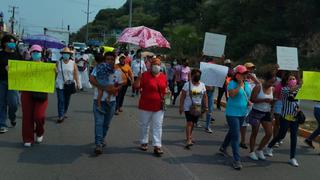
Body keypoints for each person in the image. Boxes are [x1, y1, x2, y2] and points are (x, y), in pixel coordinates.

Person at [89, 51, 122, 155]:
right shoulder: (98, 68)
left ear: (114, 60)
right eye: (108, 59)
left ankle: (102, 138)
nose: (110, 61)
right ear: (104, 60)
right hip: (98, 101)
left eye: (112, 59)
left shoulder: (117, 72)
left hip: (111, 102)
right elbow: (91, 79)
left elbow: (119, 85)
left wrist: (115, 89)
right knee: (99, 123)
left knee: (106, 124)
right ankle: (98, 144)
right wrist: (105, 88)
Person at [265, 73, 301, 167]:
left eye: (294, 79)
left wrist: (298, 109)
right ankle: (269, 146)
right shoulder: (284, 89)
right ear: (287, 81)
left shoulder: (299, 90)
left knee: (294, 138)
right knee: (281, 134)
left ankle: (292, 158)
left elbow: (298, 101)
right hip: (285, 116)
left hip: (295, 118)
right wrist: (300, 85)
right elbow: (291, 91)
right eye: (290, 79)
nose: (293, 80)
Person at [219, 65, 251, 170]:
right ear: (237, 75)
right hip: (232, 113)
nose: (245, 75)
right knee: (236, 136)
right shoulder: (231, 83)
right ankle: (236, 160)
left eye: (246, 74)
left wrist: (248, 102)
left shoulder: (247, 84)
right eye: (243, 74)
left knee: (233, 132)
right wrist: (239, 85)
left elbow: (247, 96)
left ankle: (223, 147)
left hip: (242, 113)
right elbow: (232, 95)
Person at [136, 57, 167, 156]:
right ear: (150, 65)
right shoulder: (144, 75)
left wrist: (168, 92)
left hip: (159, 105)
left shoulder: (163, 76)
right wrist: (139, 78)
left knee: (158, 126)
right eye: (154, 63)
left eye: (158, 64)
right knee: (144, 124)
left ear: (160, 65)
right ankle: (144, 142)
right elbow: (136, 86)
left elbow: (165, 88)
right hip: (145, 105)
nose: (156, 66)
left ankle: (157, 146)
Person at [21, 45, 49, 147]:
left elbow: (50, 81)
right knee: (27, 116)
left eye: (38, 52)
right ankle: (28, 138)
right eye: (34, 52)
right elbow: (17, 75)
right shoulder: (24, 66)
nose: (36, 54)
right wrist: (9, 69)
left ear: (41, 53)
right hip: (27, 92)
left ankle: (40, 131)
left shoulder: (47, 67)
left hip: (41, 93)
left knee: (39, 116)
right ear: (30, 53)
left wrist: (54, 73)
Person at [247, 69, 276, 160]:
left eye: (273, 82)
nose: (271, 84)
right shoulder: (258, 87)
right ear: (266, 80)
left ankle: (259, 150)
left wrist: (272, 113)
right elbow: (252, 99)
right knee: (254, 132)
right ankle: (251, 152)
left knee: (269, 133)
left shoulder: (272, 89)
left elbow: (272, 103)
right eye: (270, 82)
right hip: (256, 112)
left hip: (266, 113)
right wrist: (263, 100)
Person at [179, 69, 208, 148]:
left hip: (198, 107)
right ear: (192, 76)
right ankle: (188, 140)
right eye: (196, 75)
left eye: (198, 75)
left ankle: (190, 136)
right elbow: (182, 97)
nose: (197, 77)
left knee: (193, 123)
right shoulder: (187, 85)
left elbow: (205, 96)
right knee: (190, 122)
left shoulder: (202, 85)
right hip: (188, 107)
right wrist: (181, 107)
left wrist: (206, 106)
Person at [0, 34, 20, 133]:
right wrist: (4, 70)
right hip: (2, 81)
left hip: (14, 82)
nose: (13, 44)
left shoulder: (17, 55)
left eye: (14, 42)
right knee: (2, 103)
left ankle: (12, 117)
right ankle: (2, 124)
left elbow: (24, 68)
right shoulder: (1, 54)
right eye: (10, 42)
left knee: (14, 103)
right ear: (4, 43)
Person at [55, 47, 80, 123]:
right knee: (61, 100)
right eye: (64, 53)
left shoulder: (73, 63)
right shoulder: (58, 62)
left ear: (70, 55)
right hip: (59, 84)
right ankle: (60, 115)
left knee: (67, 100)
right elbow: (55, 73)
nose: (66, 55)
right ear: (62, 54)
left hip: (69, 84)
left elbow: (75, 73)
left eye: (67, 54)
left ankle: (64, 111)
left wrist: (78, 83)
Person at [240, 62, 260, 149]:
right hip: (244, 104)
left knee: (254, 124)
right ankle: (243, 141)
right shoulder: (241, 78)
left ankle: (252, 140)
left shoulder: (253, 77)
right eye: (249, 69)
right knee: (243, 124)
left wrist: (254, 78)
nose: (251, 70)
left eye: (252, 69)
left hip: (252, 105)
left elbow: (260, 85)